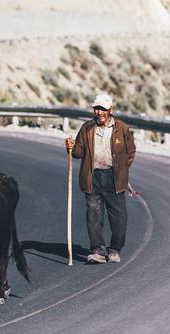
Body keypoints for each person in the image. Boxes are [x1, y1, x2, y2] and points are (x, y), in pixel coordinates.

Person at [65, 93, 136, 264]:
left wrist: (121, 171)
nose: (99, 112)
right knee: (94, 215)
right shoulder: (87, 128)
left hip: (114, 178)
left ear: (111, 110)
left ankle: (114, 249)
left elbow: (130, 152)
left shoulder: (122, 128)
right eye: (97, 108)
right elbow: (79, 152)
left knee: (119, 217)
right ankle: (96, 250)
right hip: (93, 177)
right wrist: (71, 147)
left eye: (103, 109)